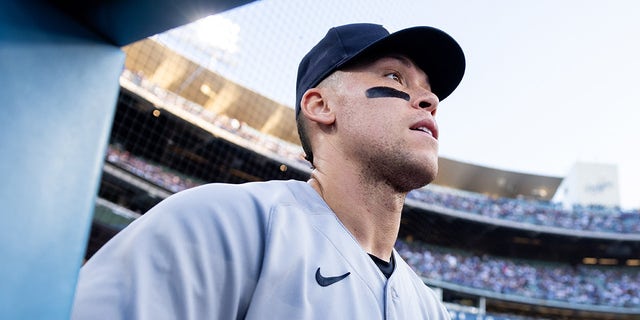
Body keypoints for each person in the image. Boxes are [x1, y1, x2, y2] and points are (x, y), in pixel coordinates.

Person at [72, 22, 465, 319]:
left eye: (429, 89)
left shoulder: (429, 307)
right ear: (320, 106)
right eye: (394, 76)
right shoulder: (220, 222)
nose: (429, 98)